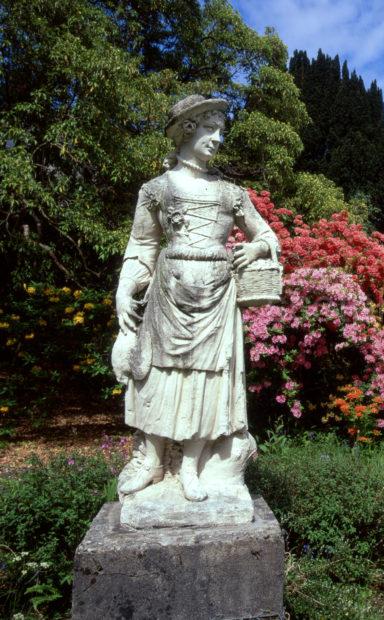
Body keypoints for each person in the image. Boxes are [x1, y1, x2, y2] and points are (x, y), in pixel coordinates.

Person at [114, 95, 279, 501]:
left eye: (220, 130)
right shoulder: (156, 190)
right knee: (156, 376)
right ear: (187, 130)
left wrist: (256, 249)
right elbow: (141, 245)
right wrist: (124, 288)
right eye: (210, 129)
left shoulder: (230, 193)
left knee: (207, 381)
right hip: (168, 292)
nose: (218, 139)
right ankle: (153, 462)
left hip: (216, 296)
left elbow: (267, 235)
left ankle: (190, 468)